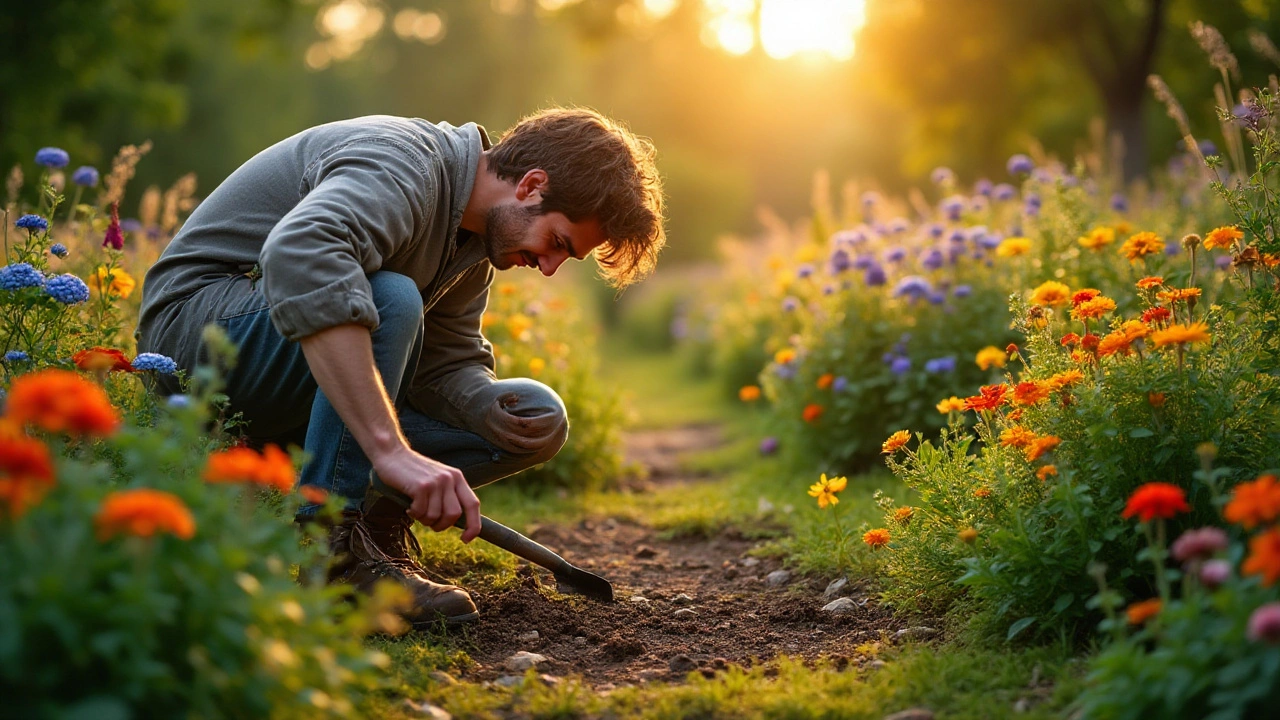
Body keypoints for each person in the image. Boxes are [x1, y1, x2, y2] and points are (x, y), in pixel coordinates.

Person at [136, 108, 665, 626]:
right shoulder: (401, 162)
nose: (548, 268)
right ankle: (336, 553)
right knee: (392, 296)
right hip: (196, 342)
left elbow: (445, 366)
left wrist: (487, 409)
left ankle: (375, 531)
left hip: (288, 373)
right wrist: (390, 451)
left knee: (536, 415)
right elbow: (300, 251)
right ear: (530, 185)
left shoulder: (475, 242)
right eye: (556, 244)